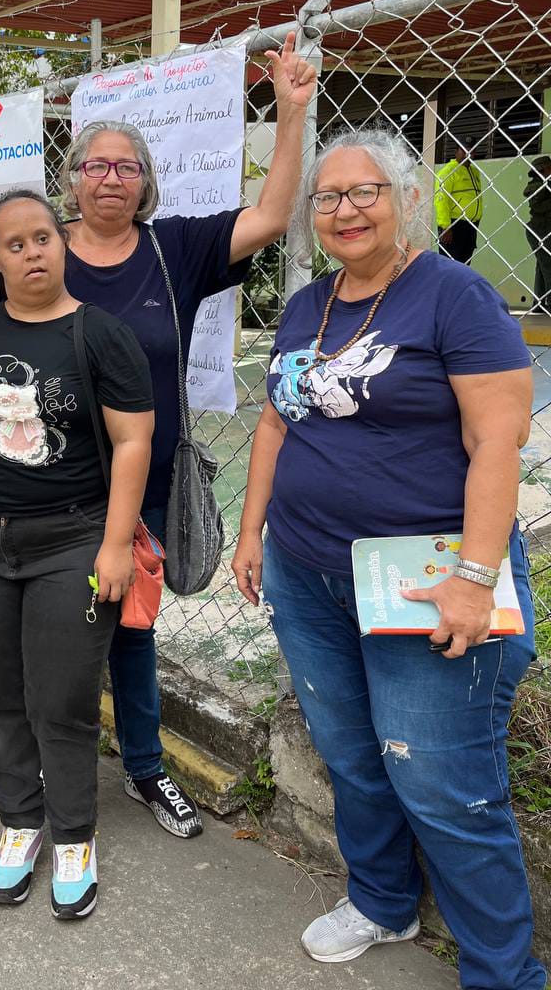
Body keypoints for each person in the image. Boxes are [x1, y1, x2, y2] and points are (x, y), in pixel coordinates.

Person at [231, 129, 544, 990]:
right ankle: (381, 900)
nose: (346, 209)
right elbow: (275, 421)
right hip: (306, 571)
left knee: (443, 783)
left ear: (407, 199)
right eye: (328, 196)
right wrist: (252, 531)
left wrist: (475, 578)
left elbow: (497, 442)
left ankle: (502, 973)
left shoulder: (456, 296)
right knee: (352, 754)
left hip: (426, 578)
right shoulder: (310, 303)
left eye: (365, 191)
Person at [54, 31, 316, 838]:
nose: (110, 178)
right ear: (72, 178)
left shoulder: (175, 249)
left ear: (146, 181)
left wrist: (291, 112)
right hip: (54, 484)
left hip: (147, 483)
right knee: (55, 635)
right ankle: (51, 776)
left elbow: (271, 216)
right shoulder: (36, 253)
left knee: (132, 633)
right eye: (96, 165)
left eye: (126, 167)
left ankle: (144, 769)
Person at [0, 190, 154, 920]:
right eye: (14, 244)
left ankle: (73, 834)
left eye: (42, 238)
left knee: (64, 699)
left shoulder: (101, 334)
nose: (31, 253)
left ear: (63, 243)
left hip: (72, 542)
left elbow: (133, 441)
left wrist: (115, 544)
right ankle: (20, 821)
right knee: (2, 693)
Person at [436, 140, 483, 264]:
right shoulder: (448, 172)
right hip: (454, 225)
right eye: (464, 150)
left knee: (465, 265)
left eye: (472, 150)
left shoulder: (475, 172)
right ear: (456, 152)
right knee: (450, 265)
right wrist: (445, 226)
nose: (468, 153)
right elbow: (441, 200)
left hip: (471, 225)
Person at [524, 155, 551, 312]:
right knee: (547, 266)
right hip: (540, 230)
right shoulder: (536, 186)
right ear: (542, 170)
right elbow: (538, 206)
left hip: (543, 230)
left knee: (542, 267)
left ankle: (539, 302)